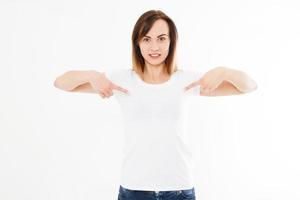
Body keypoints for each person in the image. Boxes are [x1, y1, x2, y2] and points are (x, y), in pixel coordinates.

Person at [54, 9, 257, 200]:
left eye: (161, 39)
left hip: (178, 190)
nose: (154, 47)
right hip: (134, 190)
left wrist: (223, 71)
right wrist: (91, 76)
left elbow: (249, 86)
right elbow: (61, 83)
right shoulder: (120, 80)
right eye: (146, 39)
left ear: (171, 42)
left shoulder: (188, 81)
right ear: (137, 43)